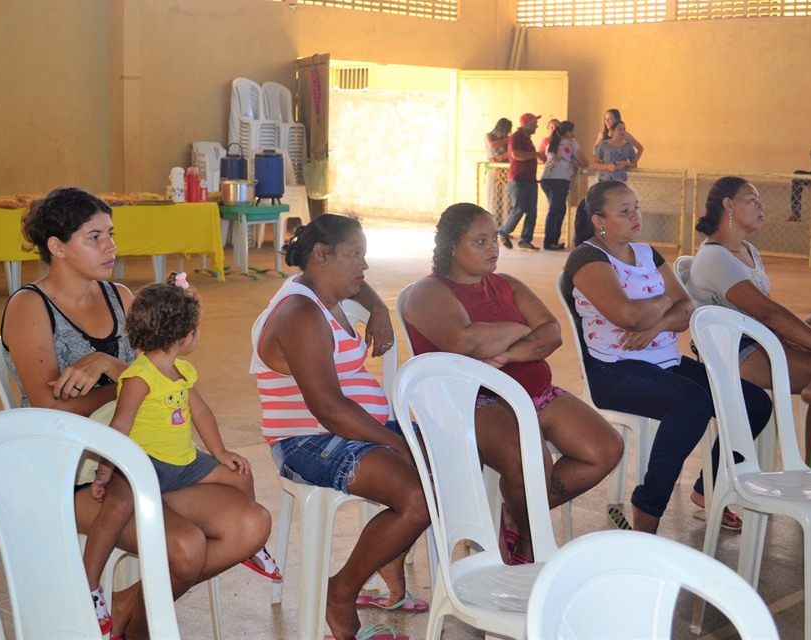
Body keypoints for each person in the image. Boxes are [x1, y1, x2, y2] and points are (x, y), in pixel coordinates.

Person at [0, 187, 269, 640]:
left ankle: (127, 606)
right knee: (185, 548)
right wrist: (120, 390)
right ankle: (136, 625)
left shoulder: (120, 296)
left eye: (111, 234)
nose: (111, 247)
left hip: (142, 458)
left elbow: (156, 374)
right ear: (57, 247)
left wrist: (110, 368)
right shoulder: (30, 306)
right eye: (94, 237)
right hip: (75, 471)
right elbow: (48, 408)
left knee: (250, 524)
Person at [403, 202, 623, 561]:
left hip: (534, 395)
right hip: (475, 402)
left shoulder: (506, 284)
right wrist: (522, 331)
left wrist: (506, 354)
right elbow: (465, 341)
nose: (493, 248)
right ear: (451, 247)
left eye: (494, 239)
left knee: (605, 449)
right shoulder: (429, 292)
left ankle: (514, 514)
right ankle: (529, 544)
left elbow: (552, 332)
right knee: (529, 463)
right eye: (480, 241)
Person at [251, 214, 429, 640]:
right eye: (355, 255)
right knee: (419, 497)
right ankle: (341, 590)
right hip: (309, 441)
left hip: (353, 430)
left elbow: (360, 286)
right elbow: (329, 409)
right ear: (321, 255)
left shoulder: (326, 288)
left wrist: (379, 308)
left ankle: (388, 547)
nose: (364, 267)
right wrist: (395, 445)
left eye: (364, 255)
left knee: (455, 458)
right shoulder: (299, 314)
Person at [563, 180, 772, 534]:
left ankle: (708, 490)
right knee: (691, 403)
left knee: (752, 402)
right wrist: (663, 307)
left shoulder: (647, 252)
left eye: (637, 207)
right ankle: (648, 508)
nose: (636, 216)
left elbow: (687, 307)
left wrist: (654, 326)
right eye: (624, 211)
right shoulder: (587, 258)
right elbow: (625, 315)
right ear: (599, 220)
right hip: (613, 369)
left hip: (664, 358)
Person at [82, 273, 277, 633]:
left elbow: (200, 412)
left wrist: (219, 451)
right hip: (143, 466)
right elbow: (120, 428)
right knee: (117, 507)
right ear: (185, 337)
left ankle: (252, 546)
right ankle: (89, 585)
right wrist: (106, 472)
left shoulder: (182, 371)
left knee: (239, 473)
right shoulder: (139, 377)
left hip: (183, 463)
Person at [687, 176, 811, 460]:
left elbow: (766, 311)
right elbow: (767, 311)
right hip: (737, 353)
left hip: (762, 337)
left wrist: (789, 336)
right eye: (752, 199)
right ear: (728, 205)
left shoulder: (749, 250)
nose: (761, 206)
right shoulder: (714, 257)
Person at [498, 112, 547, 252]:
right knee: (519, 208)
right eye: (533, 124)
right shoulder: (515, 137)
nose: (536, 126)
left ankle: (525, 241)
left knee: (532, 211)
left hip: (530, 179)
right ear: (524, 124)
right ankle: (503, 231)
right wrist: (537, 154)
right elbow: (516, 154)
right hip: (518, 179)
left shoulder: (527, 139)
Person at [540, 120, 590, 251]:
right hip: (560, 179)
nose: (575, 133)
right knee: (555, 210)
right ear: (568, 133)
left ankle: (552, 240)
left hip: (546, 178)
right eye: (573, 131)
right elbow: (584, 162)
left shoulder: (552, 143)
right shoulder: (571, 144)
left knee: (558, 209)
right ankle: (549, 241)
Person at [484, 117, 513, 226]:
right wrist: (508, 140)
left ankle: (505, 227)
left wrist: (501, 158)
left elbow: (511, 153)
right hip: (494, 170)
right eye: (503, 130)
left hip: (506, 170)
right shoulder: (489, 136)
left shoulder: (508, 138)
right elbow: (492, 146)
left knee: (507, 201)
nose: (505, 133)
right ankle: (493, 226)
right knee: (494, 200)